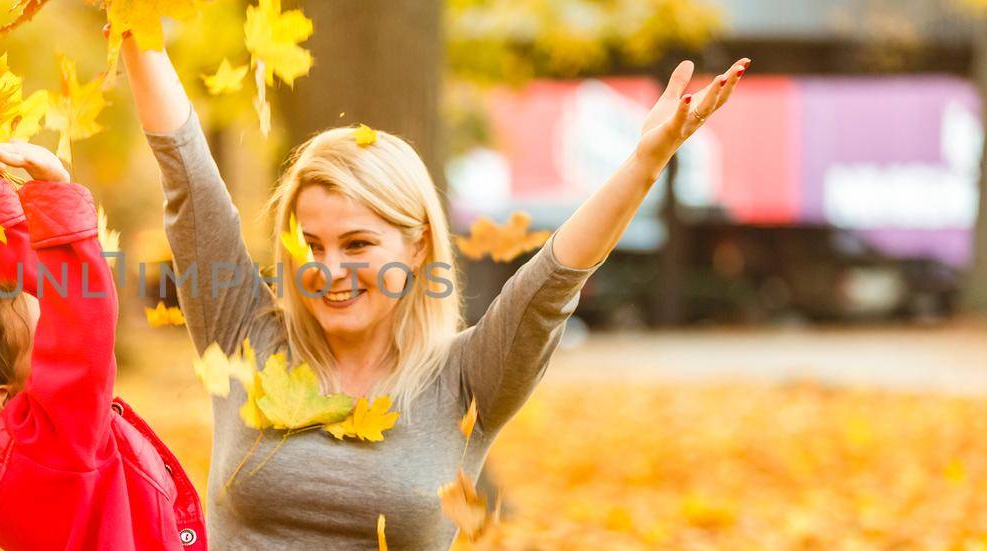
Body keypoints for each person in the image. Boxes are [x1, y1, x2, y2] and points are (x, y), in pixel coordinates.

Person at [122, 28, 749, 548]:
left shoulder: (468, 377)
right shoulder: (244, 333)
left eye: (358, 245)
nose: (328, 270)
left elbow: (555, 278)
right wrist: (134, 25)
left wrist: (644, 163)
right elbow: (188, 176)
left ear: (417, 245)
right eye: (310, 245)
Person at [0, 139, 207, 550]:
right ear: (4, 397)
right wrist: (54, 188)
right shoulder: (56, 440)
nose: (51, 319)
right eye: (44, 330)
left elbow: (12, 300)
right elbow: (81, 328)